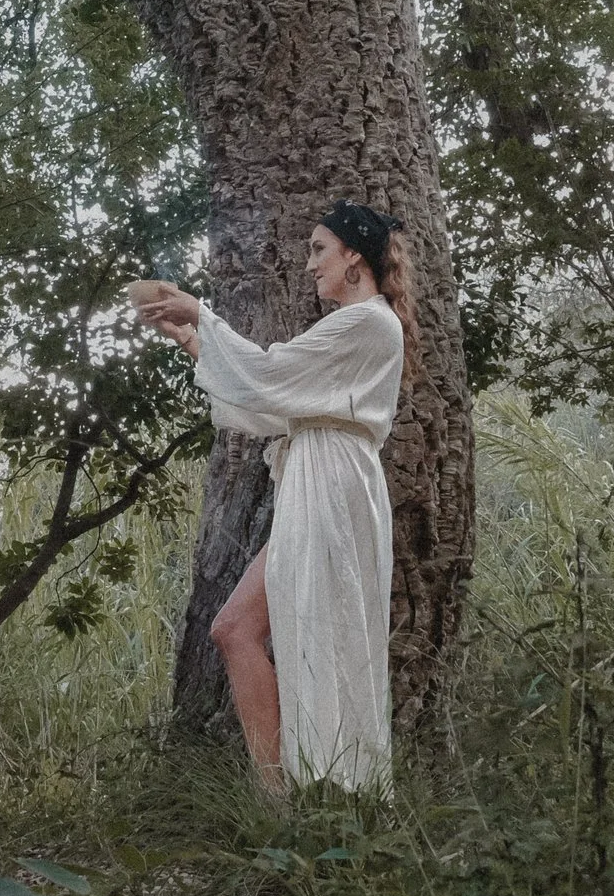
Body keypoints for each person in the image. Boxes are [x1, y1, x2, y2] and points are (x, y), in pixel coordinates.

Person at [134, 200, 414, 794]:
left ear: (353, 256)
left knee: (311, 631)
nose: (310, 264)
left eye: (319, 250)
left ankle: (329, 787)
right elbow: (272, 400)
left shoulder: (367, 322)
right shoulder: (353, 326)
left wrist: (201, 313)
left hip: (335, 482)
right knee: (234, 628)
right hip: (317, 476)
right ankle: (281, 795)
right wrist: (193, 339)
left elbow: (267, 375)